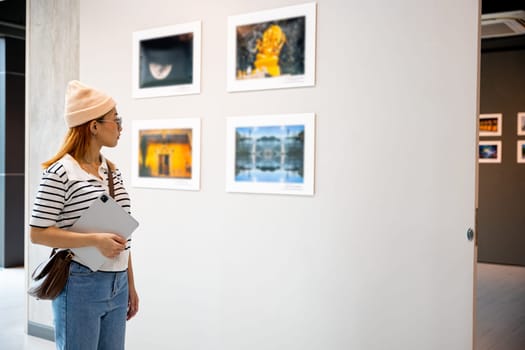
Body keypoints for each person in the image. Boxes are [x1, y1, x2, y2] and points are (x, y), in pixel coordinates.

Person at [29, 80, 139, 350]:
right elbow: (37, 233)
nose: (121, 126)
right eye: (116, 119)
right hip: (80, 283)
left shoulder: (111, 171)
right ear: (93, 126)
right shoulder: (60, 172)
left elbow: (120, 233)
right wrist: (94, 240)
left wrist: (130, 284)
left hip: (118, 282)